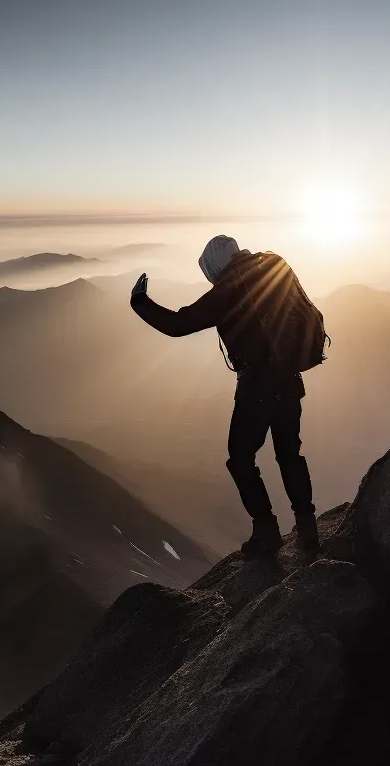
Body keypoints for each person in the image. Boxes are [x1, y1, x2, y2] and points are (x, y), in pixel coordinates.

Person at [130, 234, 320, 556]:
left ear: (216, 265)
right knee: (289, 454)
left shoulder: (227, 291)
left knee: (241, 458)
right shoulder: (272, 270)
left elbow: (178, 324)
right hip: (289, 382)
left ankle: (266, 531)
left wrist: (140, 302)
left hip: (256, 388)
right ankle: (308, 529)